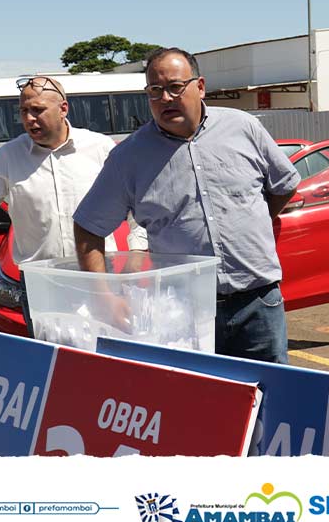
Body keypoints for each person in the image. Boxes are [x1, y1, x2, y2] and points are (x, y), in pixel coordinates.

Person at [72, 48, 300, 364]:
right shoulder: (129, 158)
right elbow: (88, 226)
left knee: (269, 402)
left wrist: (253, 219)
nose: (165, 98)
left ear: (200, 86)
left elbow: (284, 185)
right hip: (184, 313)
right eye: (155, 91)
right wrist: (103, 297)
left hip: (258, 305)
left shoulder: (243, 128)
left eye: (175, 87)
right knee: (197, 406)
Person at [0, 75, 146, 333]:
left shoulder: (99, 147)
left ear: (63, 108)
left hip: (99, 280)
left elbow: (137, 206)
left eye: (38, 110)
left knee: (102, 360)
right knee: (52, 364)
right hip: (41, 288)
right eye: (24, 111)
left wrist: (137, 253)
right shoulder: (9, 156)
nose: (30, 119)